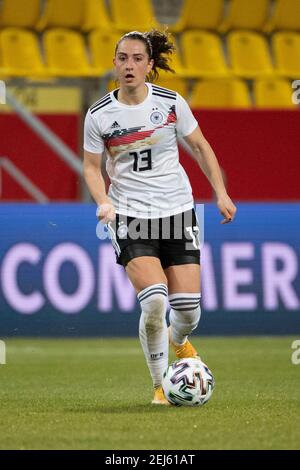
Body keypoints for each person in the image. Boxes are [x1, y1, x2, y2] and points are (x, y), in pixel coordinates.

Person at [83, 30, 237, 405]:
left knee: (187, 312)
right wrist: (103, 199)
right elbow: (90, 167)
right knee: (154, 303)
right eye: (122, 58)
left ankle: (178, 340)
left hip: (177, 212)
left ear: (150, 65)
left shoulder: (171, 103)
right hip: (131, 216)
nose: (129, 65)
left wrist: (220, 191)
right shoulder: (99, 114)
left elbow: (200, 147)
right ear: (115, 62)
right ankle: (159, 387)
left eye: (137, 58)